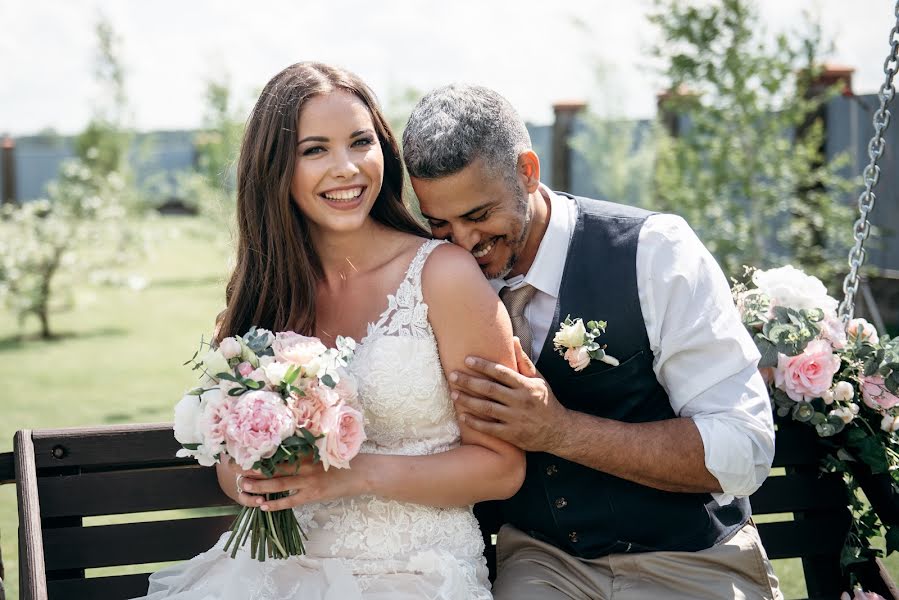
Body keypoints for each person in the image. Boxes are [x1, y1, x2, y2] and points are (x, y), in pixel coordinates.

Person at [132, 63, 525, 600]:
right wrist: (251, 471)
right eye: (315, 149)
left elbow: (501, 468)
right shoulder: (263, 291)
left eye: (360, 142)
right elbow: (229, 467)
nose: (346, 168)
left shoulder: (444, 276)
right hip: (275, 572)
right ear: (276, 169)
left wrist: (353, 474)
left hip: (417, 574)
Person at [401, 84, 782, 600]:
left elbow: (746, 449)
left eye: (479, 216)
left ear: (527, 172)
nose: (464, 243)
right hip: (543, 560)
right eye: (440, 223)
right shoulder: (440, 280)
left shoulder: (655, 253)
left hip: (688, 561)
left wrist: (558, 431)